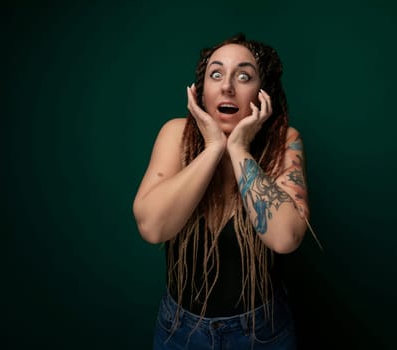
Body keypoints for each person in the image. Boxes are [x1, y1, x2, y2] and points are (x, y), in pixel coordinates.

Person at [133, 33, 319, 349]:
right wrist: (213, 147)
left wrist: (240, 148)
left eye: (243, 76)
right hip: (180, 331)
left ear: (263, 94)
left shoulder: (285, 141)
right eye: (215, 74)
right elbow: (152, 228)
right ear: (201, 92)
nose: (227, 86)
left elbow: (285, 238)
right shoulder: (175, 134)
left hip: (262, 333)